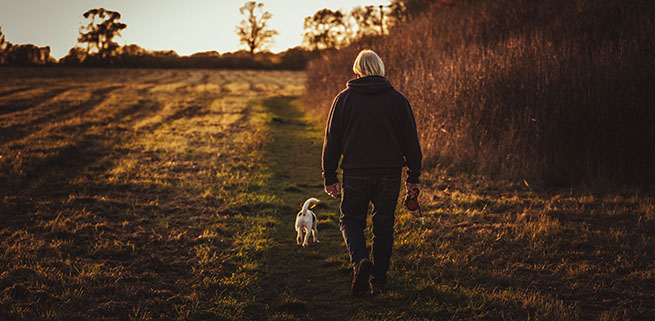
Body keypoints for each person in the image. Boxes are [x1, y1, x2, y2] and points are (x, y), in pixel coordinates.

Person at [322, 49, 422, 296]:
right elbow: (411, 142)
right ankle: (378, 280)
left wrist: (330, 175)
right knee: (384, 226)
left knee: (350, 220)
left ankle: (360, 261)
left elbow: (332, 140)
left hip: (355, 173)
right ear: (380, 68)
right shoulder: (398, 100)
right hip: (389, 174)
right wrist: (414, 177)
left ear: (357, 69)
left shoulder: (343, 99)